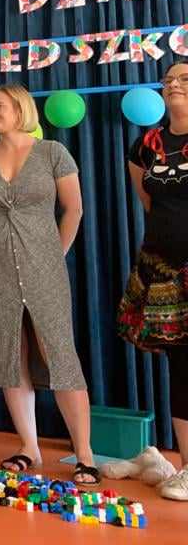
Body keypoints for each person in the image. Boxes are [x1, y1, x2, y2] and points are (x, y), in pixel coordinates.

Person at [0, 84, 98, 485]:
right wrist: (1, 246)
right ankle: (29, 447)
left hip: (45, 266)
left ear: (20, 109)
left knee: (58, 351)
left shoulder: (53, 153)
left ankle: (84, 453)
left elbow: (74, 209)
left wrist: (53, 253)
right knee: (9, 352)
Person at [121, 60, 188, 501]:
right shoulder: (145, 145)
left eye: (184, 79)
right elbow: (148, 201)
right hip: (164, 270)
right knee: (181, 366)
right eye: (168, 80)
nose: (173, 85)